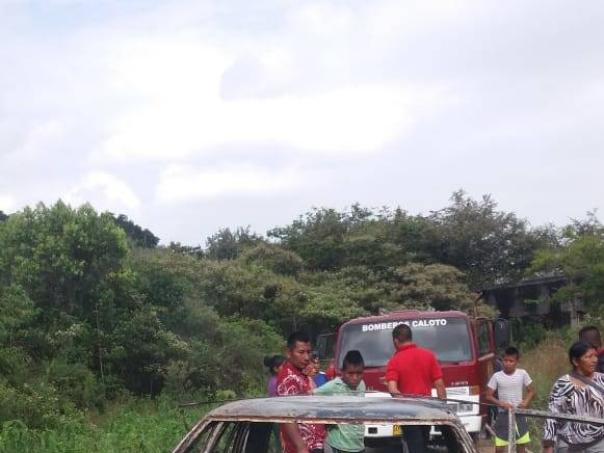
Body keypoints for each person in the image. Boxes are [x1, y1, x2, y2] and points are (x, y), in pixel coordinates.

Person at [385, 323, 446, 453]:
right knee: (423, 442)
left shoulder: (394, 361)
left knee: (414, 446)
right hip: (426, 410)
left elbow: (392, 389)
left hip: (407, 413)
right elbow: (440, 385)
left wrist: (405, 403)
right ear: (410, 337)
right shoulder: (429, 355)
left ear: (396, 341)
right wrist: (443, 410)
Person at [543, 341, 604, 453]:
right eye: (589, 357)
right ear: (576, 361)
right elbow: (552, 417)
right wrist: (548, 446)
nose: (595, 360)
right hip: (569, 444)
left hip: (598, 444)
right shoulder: (562, 384)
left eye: (595, 356)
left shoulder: (602, 380)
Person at [277, 331, 326, 453]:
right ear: (289, 353)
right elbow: (288, 415)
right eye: (301, 352)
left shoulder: (301, 374)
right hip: (302, 447)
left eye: (309, 352)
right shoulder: (288, 378)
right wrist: (301, 446)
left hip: (314, 444)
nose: (306, 357)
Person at [314, 350, 366, 453]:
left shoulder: (362, 385)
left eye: (359, 373)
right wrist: (328, 416)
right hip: (338, 445)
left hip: (358, 444)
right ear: (342, 372)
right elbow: (311, 396)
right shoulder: (334, 386)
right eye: (350, 373)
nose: (355, 378)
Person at [486, 346, 535, 452]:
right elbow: (488, 396)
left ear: (516, 362)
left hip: (519, 414)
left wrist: (526, 402)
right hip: (503, 415)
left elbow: (531, 391)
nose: (507, 363)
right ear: (502, 360)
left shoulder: (522, 373)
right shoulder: (496, 376)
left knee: (521, 446)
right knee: (499, 448)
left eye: (511, 361)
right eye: (505, 360)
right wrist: (501, 404)